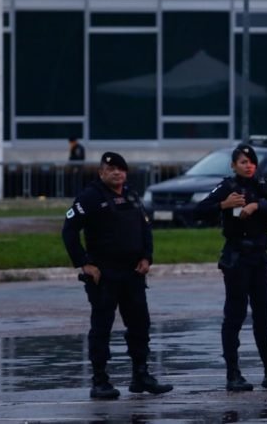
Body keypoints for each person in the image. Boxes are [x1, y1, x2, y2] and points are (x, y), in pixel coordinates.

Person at [62, 152, 173, 400]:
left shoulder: (132, 195)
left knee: (139, 325)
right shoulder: (90, 197)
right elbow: (69, 231)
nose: (116, 173)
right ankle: (100, 380)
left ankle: (140, 375)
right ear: (101, 173)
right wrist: (84, 264)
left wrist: (147, 257)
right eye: (111, 169)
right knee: (102, 327)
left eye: (121, 169)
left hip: (133, 273)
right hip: (105, 274)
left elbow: (145, 229)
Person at [192, 144, 267, 392]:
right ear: (233, 166)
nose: (248, 165)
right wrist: (224, 205)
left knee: (264, 317)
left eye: (251, 162)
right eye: (243, 162)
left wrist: (257, 206)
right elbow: (197, 211)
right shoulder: (227, 187)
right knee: (235, 316)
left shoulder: (263, 185)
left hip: (259, 258)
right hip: (237, 258)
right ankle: (233, 374)